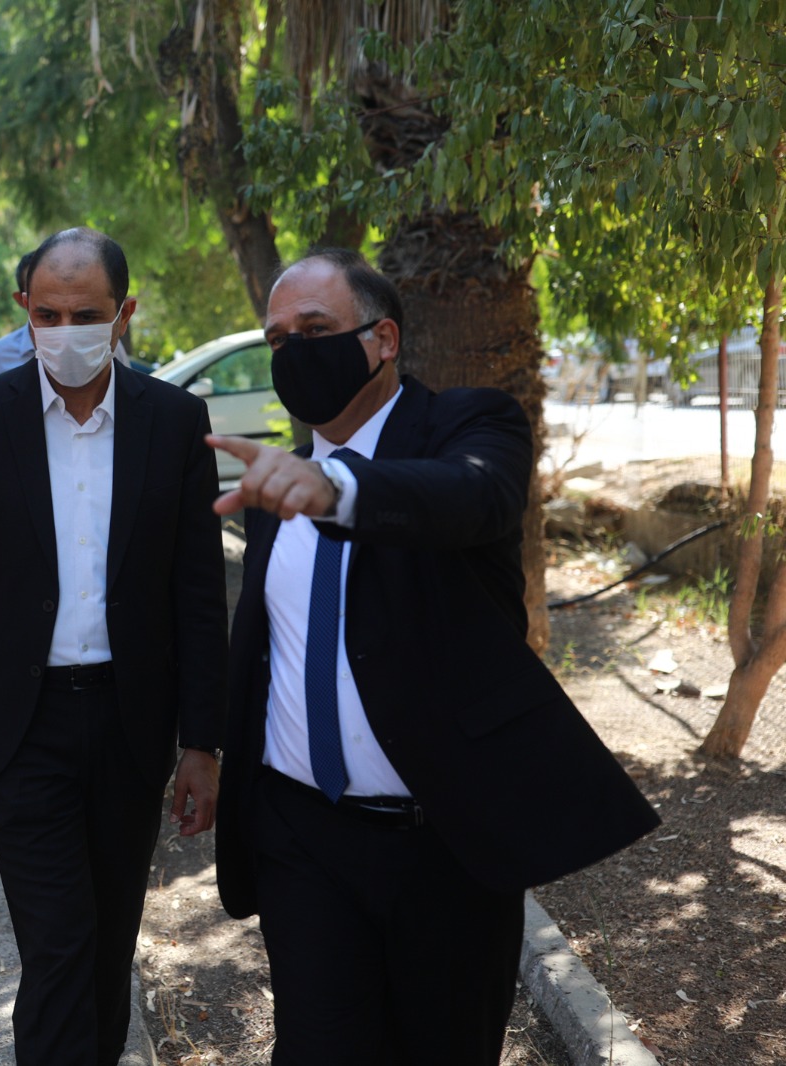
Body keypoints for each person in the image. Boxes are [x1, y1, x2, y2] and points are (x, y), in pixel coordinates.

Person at [209, 248, 660, 1065]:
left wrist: (342, 490)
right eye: (277, 339)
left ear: (382, 339)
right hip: (301, 839)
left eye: (314, 329)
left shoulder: (469, 425)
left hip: (443, 845)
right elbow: (266, 647)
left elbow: (472, 496)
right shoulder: (277, 482)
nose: (293, 352)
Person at [0, 227, 227, 1065]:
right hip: (20, 727)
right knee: (59, 944)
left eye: (85, 315)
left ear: (124, 315)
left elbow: (199, 596)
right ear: (24, 310)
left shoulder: (174, 421)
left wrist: (202, 744)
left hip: (132, 724)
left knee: (107, 944)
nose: (64, 332)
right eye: (46, 315)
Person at [0, 251, 131, 382]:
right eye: (49, 316)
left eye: (85, 317)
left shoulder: (107, 346)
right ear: (23, 301)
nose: (65, 333)